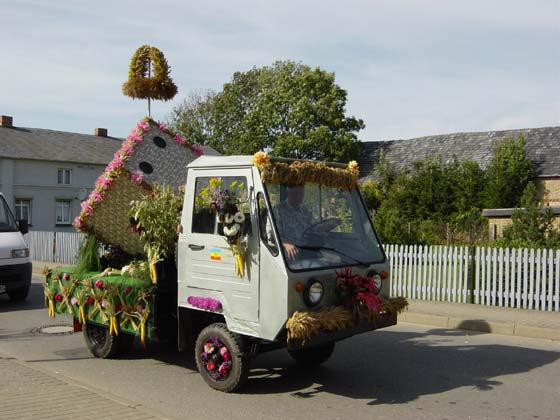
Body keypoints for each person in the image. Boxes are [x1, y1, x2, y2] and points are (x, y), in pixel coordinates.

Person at [271, 185, 339, 261]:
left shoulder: (304, 209)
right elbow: (273, 235)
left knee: (335, 259)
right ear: (289, 193)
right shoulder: (278, 210)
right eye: (296, 194)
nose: (299, 198)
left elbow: (312, 227)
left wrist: (325, 227)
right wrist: (286, 244)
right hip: (290, 252)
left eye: (301, 195)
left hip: (307, 248)